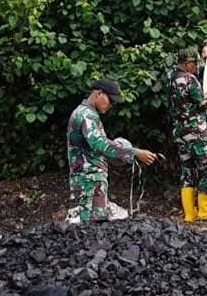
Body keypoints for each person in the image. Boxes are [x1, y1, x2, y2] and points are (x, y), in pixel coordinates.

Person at [67, 78, 157, 223]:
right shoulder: (86, 115)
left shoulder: (87, 113)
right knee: (93, 228)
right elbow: (99, 144)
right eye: (111, 100)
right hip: (89, 180)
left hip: (91, 180)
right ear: (99, 93)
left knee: (94, 226)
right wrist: (135, 152)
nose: (112, 105)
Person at [167, 47, 207, 222]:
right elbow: (202, 103)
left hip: (179, 131)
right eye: (194, 64)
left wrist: (206, 57)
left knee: (188, 168)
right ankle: (206, 211)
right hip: (194, 131)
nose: (196, 68)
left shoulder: (171, 78)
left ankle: (189, 213)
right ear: (187, 63)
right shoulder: (189, 79)